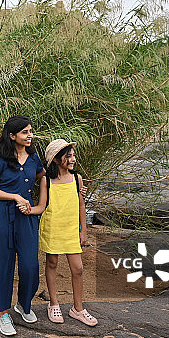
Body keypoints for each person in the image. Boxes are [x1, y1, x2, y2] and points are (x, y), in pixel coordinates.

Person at [0, 116, 47, 336]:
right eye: (25, 132)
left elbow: (43, 177)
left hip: (27, 216)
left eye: (31, 131)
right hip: (2, 215)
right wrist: (14, 197)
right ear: (12, 136)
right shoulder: (0, 158)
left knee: (30, 265)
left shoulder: (34, 158)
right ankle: (3, 313)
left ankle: (23, 304)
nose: (30, 135)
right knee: (3, 264)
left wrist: (39, 203)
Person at [38, 139, 98, 327]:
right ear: (56, 160)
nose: (73, 159)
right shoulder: (46, 180)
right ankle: (54, 303)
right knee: (52, 262)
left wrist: (83, 230)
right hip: (52, 226)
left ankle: (77, 309)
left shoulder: (77, 179)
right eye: (68, 156)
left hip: (71, 229)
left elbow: (81, 205)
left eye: (73, 155)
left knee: (78, 268)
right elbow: (41, 205)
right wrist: (26, 208)